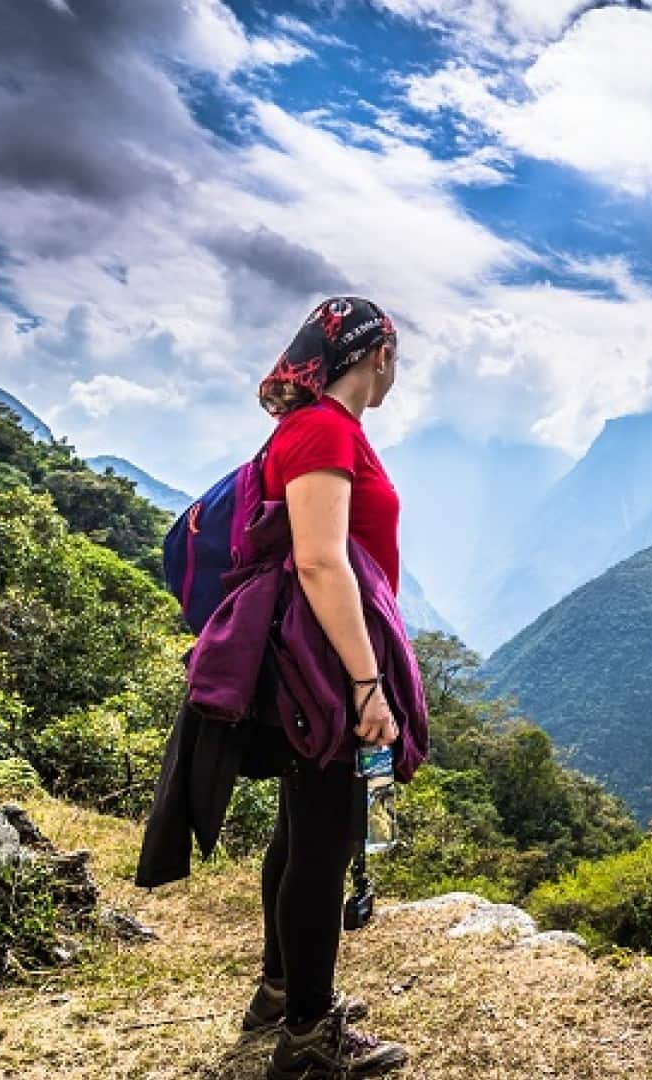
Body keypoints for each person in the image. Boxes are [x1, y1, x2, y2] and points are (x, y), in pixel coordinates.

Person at [244, 296, 411, 1078]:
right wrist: (367, 683)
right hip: (327, 665)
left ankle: (281, 991)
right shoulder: (323, 430)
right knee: (326, 840)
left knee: (300, 828)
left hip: (316, 658)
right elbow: (318, 561)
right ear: (378, 355)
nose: (396, 373)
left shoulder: (317, 429)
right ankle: (310, 1033)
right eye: (395, 359)